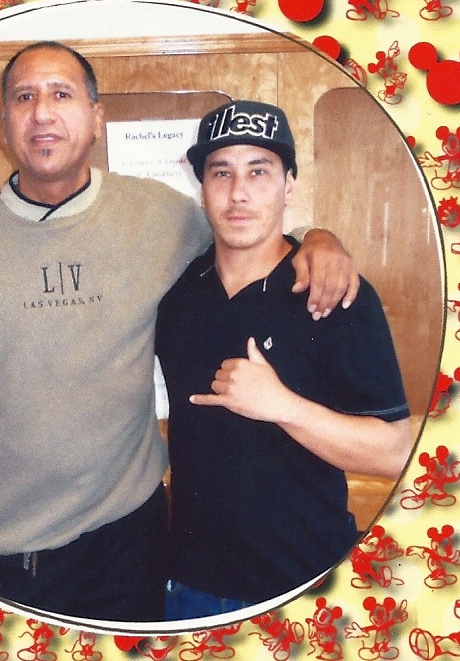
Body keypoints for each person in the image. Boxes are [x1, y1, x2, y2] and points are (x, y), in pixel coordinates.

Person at [0, 42, 358, 622]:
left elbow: (247, 229)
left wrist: (318, 238)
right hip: (3, 546)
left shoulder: (159, 216)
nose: (42, 112)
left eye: (61, 94)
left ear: (96, 118)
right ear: (4, 124)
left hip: (129, 538)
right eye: (24, 97)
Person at [155, 99, 413, 621]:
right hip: (189, 588)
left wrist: (281, 406)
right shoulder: (177, 295)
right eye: (221, 172)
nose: (239, 192)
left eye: (259, 171)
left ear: (290, 185)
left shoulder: (334, 293)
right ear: (201, 186)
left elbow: (394, 452)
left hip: (304, 586)